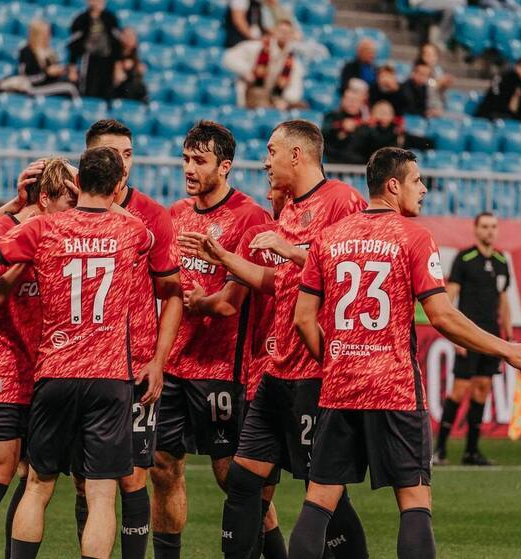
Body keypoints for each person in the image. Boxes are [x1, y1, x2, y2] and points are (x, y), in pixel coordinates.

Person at [286, 147, 521, 559]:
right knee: (414, 502)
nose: (423, 189)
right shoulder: (415, 238)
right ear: (393, 185)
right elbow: (441, 315)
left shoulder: (328, 238)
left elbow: (302, 319)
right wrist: (506, 348)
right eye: (417, 181)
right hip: (395, 390)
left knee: (318, 503)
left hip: (339, 389)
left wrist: (335, 365)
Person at [179, 120, 370, 559]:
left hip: (315, 372)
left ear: (296, 155)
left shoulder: (341, 200)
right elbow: (275, 282)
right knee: (243, 479)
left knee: (325, 492)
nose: (266, 162)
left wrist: (296, 252)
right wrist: (224, 258)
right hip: (277, 370)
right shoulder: (289, 211)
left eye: (271, 151)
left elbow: (353, 274)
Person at [0, 146, 152, 559]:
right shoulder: (127, 229)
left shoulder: (44, 230)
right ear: (116, 185)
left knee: (37, 483)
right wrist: (96, 183)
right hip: (99, 376)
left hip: (52, 373)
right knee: (97, 493)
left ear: (81, 183)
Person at [150, 121, 271, 559]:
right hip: (173, 365)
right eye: (185, 159)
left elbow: (230, 305)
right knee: (163, 467)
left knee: (232, 476)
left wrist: (198, 301)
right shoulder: (175, 213)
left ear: (225, 166)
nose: (189, 168)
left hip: (222, 368)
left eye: (199, 160)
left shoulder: (250, 217)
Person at [70, 120, 183, 559]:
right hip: (80, 368)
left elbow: (172, 294)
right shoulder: (67, 210)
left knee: (134, 475)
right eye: (114, 153)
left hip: (134, 367)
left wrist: (159, 361)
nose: (123, 162)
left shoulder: (153, 216)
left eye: (129, 153)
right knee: (83, 479)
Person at [0, 158, 78, 559]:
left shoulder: (66, 235)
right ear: (45, 198)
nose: (75, 210)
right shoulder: (1, 232)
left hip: (47, 373)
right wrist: (21, 264)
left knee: (35, 478)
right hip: (3, 368)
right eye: (69, 201)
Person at [183, 184, 289, 559]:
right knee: (252, 487)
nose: (270, 194)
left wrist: (201, 300)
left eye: (276, 185)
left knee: (316, 490)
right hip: (269, 372)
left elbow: (231, 304)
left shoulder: (265, 232)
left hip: (275, 374)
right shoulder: (270, 234)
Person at [433, 212, 513, 466]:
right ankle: (439, 450)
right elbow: (449, 296)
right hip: (468, 335)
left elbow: (503, 300)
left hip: (491, 336)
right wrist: (455, 335)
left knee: (482, 389)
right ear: (476, 229)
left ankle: (471, 451)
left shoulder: (501, 261)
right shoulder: (465, 258)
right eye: (485, 226)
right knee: (459, 390)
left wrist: (509, 335)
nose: (490, 231)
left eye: (493, 226)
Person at [222, 19, 304, 110]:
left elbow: (295, 87)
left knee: (301, 107)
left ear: (292, 36)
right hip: (251, 93)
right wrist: (246, 71)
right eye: (281, 31)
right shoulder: (257, 47)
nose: (284, 35)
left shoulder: (294, 62)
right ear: (274, 32)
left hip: (274, 99)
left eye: (288, 33)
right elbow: (228, 57)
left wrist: (285, 100)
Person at [68, 0, 122, 100]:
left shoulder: (110, 18)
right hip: (89, 60)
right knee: (89, 90)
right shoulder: (81, 19)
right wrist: (72, 67)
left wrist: (118, 67)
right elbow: (74, 45)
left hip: (107, 60)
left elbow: (116, 44)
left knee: (107, 91)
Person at [14, 19, 79, 98]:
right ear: (36, 35)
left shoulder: (50, 52)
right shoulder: (26, 51)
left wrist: (66, 71)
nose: (48, 36)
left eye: (48, 33)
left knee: (74, 83)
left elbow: (55, 73)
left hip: (48, 84)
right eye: (44, 34)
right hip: (33, 88)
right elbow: (28, 77)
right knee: (70, 88)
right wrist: (47, 73)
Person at [354, 101, 434, 163]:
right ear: (372, 114)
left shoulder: (398, 132)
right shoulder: (364, 131)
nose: (384, 115)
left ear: (392, 116)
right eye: (381, 112)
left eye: (387, 112)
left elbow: (427, 143)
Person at [322, 82, 371, 165]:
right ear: (342, 101)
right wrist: (340, 128)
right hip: (333, 164)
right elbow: (324, 135)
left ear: (361, 103)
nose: (352, 103)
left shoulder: (366, 122)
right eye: (349, 100)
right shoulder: (331, 116)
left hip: (359, 166)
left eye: (355, 100)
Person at [475, 57, 521, 123]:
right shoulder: (503, 78)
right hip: (491, 115)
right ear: (517, 67)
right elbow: (495, 102)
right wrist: (520, 116)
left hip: (510, 117)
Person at [113, 28, 148, 102]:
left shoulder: (137, 63)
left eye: (132, 36)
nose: (130, 39)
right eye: (127, 36)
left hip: (133, 96)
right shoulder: (113, 58)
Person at [418, 42, 452, 114]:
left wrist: (445, 85)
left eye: (433, 55)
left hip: (438, 107)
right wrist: (437, 83)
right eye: (427, 54)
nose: (430, 58)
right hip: (425, 109)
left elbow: (440, 91)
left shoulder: (438, 71)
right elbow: (424, 84)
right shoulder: (418, 69)